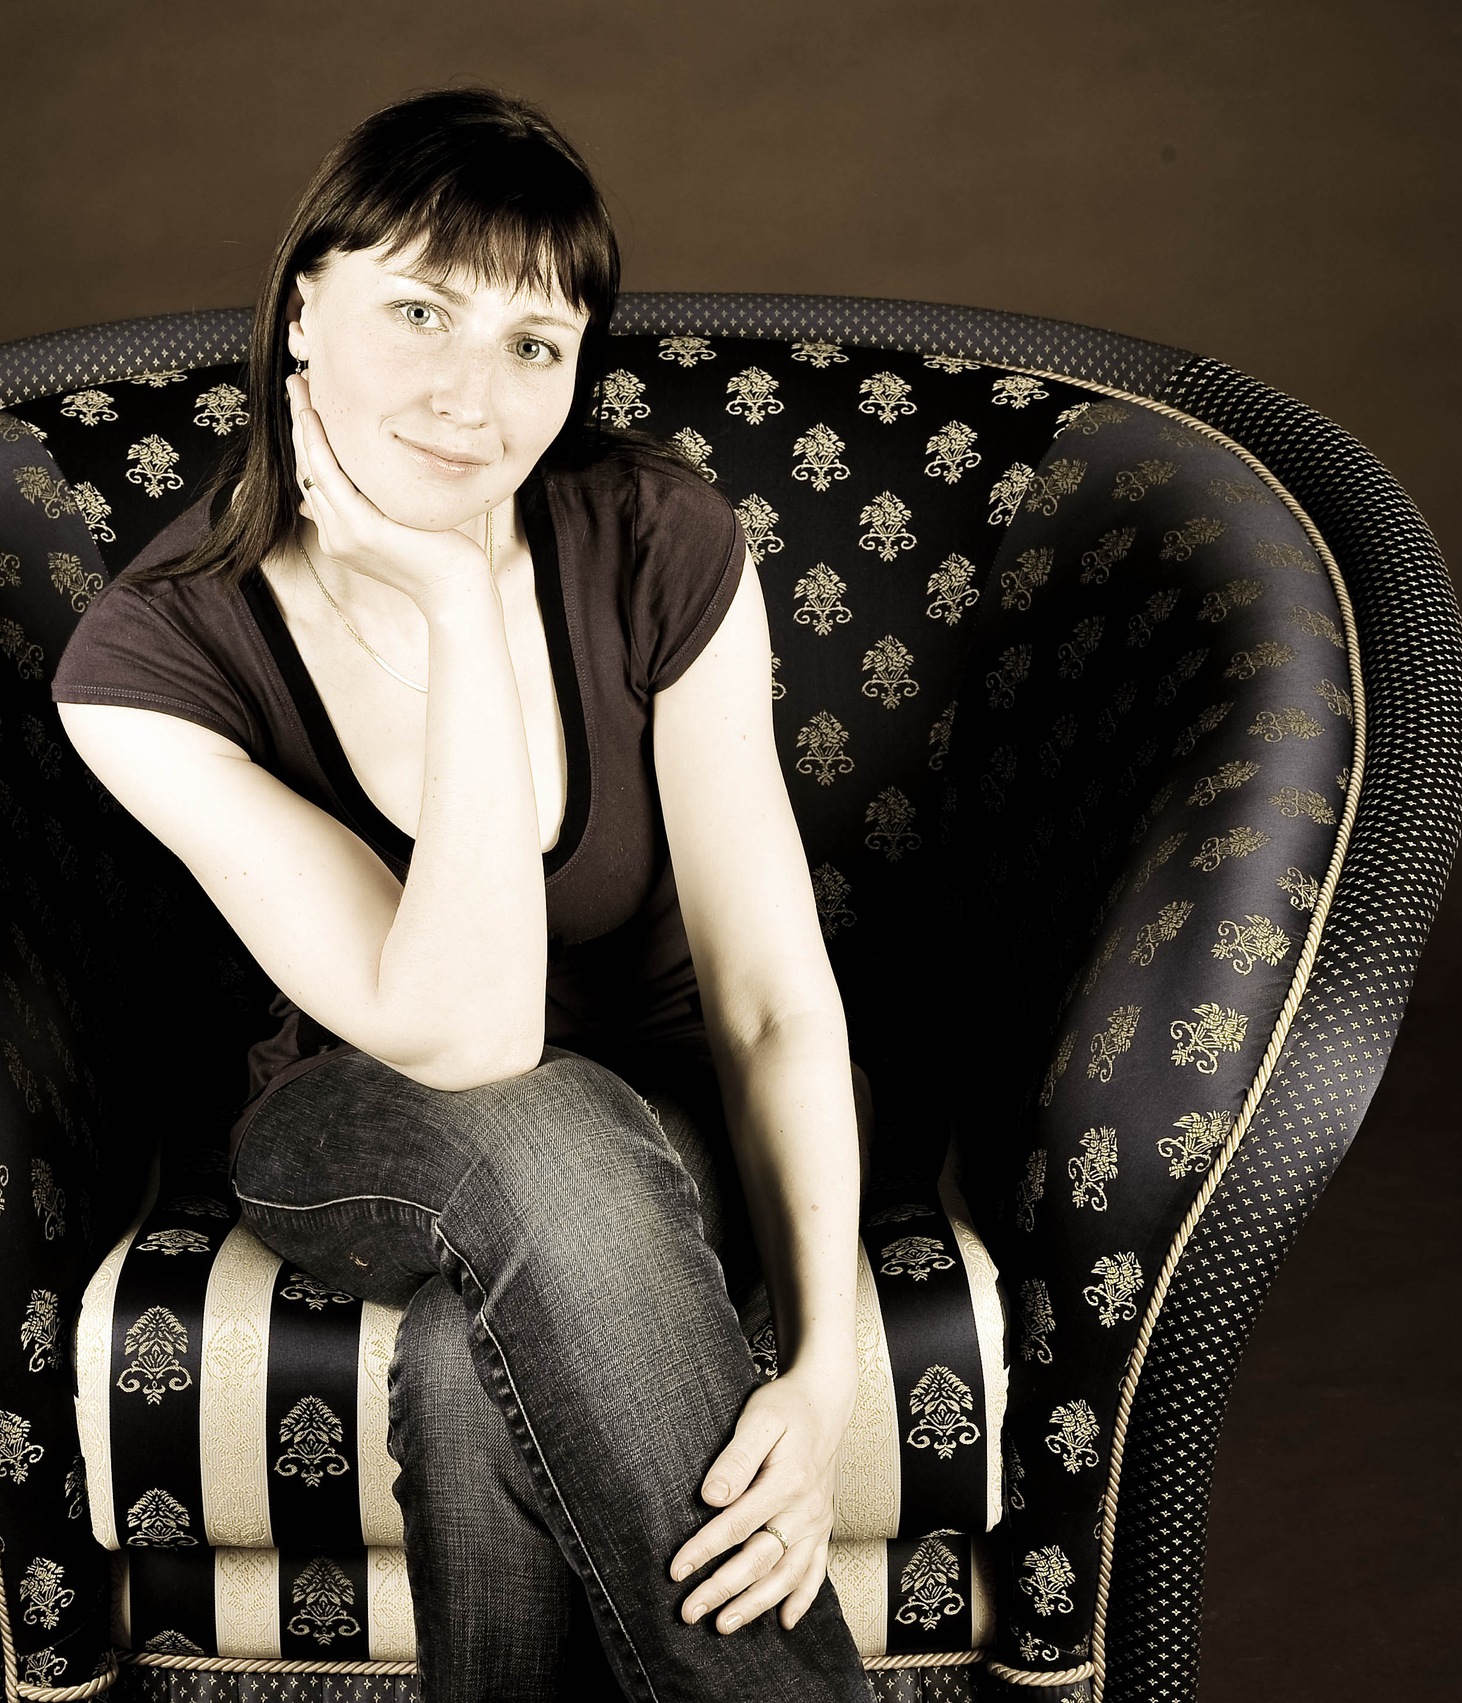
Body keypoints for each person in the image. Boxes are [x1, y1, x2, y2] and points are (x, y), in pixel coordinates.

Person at [52, 84, 876, 1702]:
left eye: (532, 344)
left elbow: (774, 999)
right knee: (541, 1125)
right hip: (360, 1129)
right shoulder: (147, 661)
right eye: (420, 311)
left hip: (669, 1132)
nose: (471, 396)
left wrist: (823, 1379)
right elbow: (474, 1037)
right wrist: (449, 598)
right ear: (303, 310)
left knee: (467, 1364)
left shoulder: (660, 542)